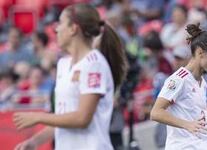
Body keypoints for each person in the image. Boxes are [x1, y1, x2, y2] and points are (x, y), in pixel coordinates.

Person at [13, 3, 128, 150]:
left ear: (74, 28)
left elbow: (82, 118)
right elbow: (63, 118)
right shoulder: (63, 65)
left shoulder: (94, 64)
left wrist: (38, 117)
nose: (56, 29)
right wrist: (34, 142)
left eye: (61, 23)